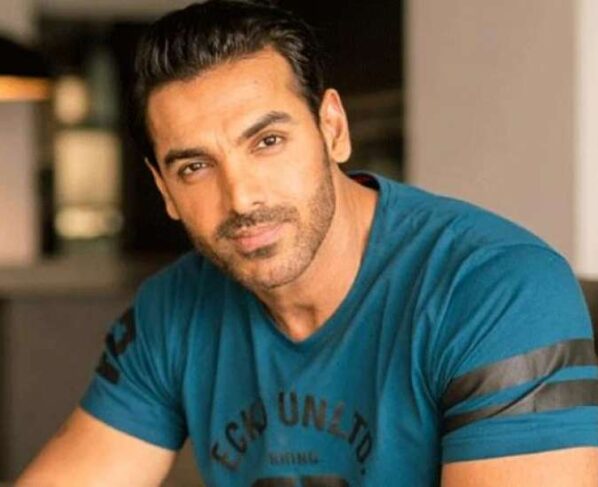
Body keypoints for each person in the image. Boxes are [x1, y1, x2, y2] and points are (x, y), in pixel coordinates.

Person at [16, 1, 598, 486]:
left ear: (333, 130)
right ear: (164, 190)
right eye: (195, 167)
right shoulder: (172, 311)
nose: (241, 197)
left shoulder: (498, 290)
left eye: (267, 141)